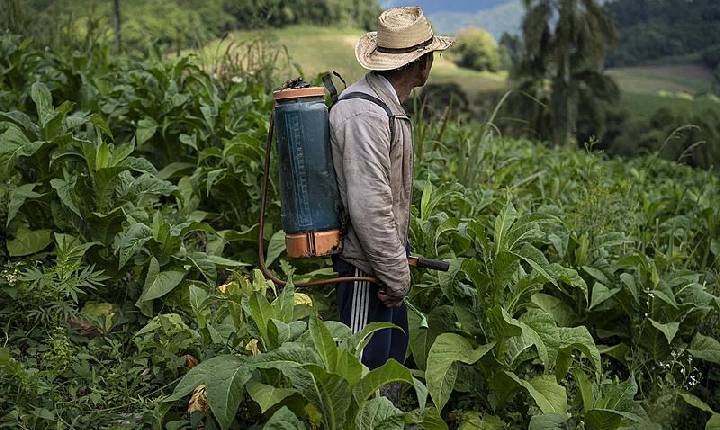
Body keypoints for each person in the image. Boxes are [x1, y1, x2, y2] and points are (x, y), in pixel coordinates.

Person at [329, 6, 454, 384]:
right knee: (358, 374)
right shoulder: (364, 115)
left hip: (379, 264)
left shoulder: (383, 105)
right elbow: (370, 207)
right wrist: (396, 274)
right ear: (420, 63)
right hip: (364, 270)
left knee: (388, 366)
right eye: (429, 54)